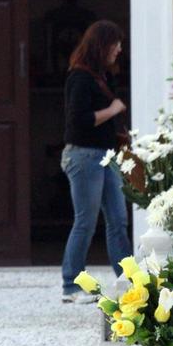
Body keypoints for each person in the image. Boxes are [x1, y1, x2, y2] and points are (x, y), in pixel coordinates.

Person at [60, 20, 131, 303]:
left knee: (118, 220)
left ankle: (130, 282)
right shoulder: (79, 78)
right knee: (85, 222)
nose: (119, 49)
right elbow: (79, 121)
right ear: (103, 45)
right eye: (116, 43)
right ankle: (71, 284)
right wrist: (112, 109)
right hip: (84, 156)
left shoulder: (101, 77)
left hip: (105, 156)